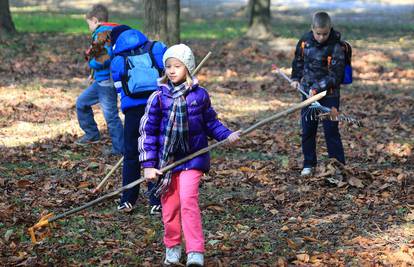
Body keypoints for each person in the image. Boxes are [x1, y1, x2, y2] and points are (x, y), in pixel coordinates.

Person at [138, 44, 240, 266]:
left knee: (188, 200)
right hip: (167, 162)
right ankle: (172, 246)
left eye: (177, 66)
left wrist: (226, 136)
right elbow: (148, 132)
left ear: (188, 68)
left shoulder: (199, 95)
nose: (172, 70)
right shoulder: (158, 97)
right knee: (170, 206)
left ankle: (195, 251)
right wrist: (148, 164)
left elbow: (211, 122)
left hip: (193, 159)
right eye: (168, 66)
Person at [110, 27, 167, 214]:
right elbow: (168, 76)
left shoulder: (117, 60)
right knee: (155, 151)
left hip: (133, 113)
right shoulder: (157, 48)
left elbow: (120, 90)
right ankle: (156, 200)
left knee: (131, 154)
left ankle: (128, 199)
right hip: (157, 107)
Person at [291, 11, 346, 176]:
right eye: (318, 34)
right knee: (308, 129)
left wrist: (317, 88)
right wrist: (295, 78)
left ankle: (337, 166)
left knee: (331, 131)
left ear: (330, 29)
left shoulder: (336, 46)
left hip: (329, 96)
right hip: (307, 93)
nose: (321, 37)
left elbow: (336, 76)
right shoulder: (304, 42)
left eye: (325, 34)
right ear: (312, 29)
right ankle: (309, 164)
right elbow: (298, 60)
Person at [75, 4, 124, 156]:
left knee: (111, 116)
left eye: (88, 23)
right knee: (81, 103)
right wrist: (93, 73)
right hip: (100, 80)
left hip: (107, 83)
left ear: (95, 20)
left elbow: (104, 58)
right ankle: (92, 134)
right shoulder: (104, 32)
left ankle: (119, 148)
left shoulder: (104, 34)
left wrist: (91, 62)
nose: (88, 27)